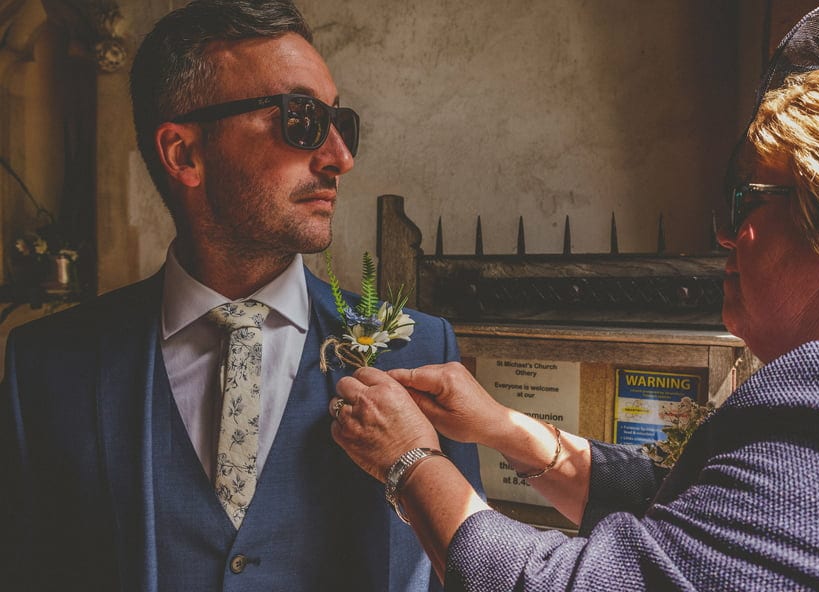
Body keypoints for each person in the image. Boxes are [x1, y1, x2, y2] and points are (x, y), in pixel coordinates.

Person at [328, 64, 819, 590]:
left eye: (746, 202)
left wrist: (410, 461)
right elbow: (686, 510)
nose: (724, 236)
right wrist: (504, 429)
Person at [0, 1, 481, 591]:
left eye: (342, 123)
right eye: (300, 118)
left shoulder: (421, 351)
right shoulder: (46, 367)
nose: (341, 158)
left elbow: (462, 575)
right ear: (185, 153)